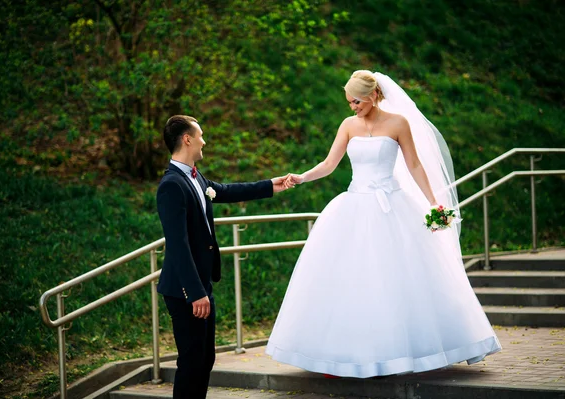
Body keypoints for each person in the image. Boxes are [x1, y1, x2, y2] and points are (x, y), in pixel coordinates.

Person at [266, 70, 501, 379]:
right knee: (351, 279)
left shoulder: (398, 123)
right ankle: (342, 356)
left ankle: (408, 352)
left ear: (374, 95)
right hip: (354, 206)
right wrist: (301, 176)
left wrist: (434, 203)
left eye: (357, 102)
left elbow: (414, 165)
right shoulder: (348, 126)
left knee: (400, 277)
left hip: (392, 206)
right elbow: (329, 164)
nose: (353, 107)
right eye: (349, 102)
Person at [156, 115, 291, 398]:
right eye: (201, 135)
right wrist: (194, 293)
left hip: (202, 285)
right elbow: (177, 245)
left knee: (205, 361)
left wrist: (270, 185)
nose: (205, 140)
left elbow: (226, 191)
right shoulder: (172, 185)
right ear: (187, 139)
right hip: (185, 291)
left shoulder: (194, 176)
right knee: (192, 362)